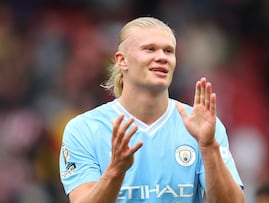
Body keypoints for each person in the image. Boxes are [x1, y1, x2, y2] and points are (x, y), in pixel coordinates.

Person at [59, 16, 245, 203]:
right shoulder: (84, 129)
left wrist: (208, 147)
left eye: (168, 51)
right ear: (122, 60)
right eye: (150, 49)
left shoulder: (201, 127)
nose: (162, 57)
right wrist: (115, 172)